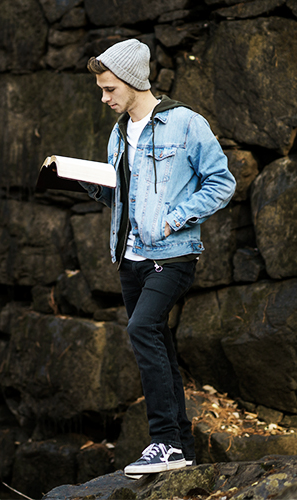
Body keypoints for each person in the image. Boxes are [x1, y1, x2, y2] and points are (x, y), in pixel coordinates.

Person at [80, 38, 236, 477]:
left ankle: (164, 441)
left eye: (109, 88)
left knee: (142, 328)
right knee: (159, 345)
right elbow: (125, 197)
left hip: (172, 254)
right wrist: (83, 180)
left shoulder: (185, 124)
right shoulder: (118, 132)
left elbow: (222, 183)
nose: (104, 97)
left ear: (132, 81)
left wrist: (175, 218)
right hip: (129, 258)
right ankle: (182, 448)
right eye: (101, 89)